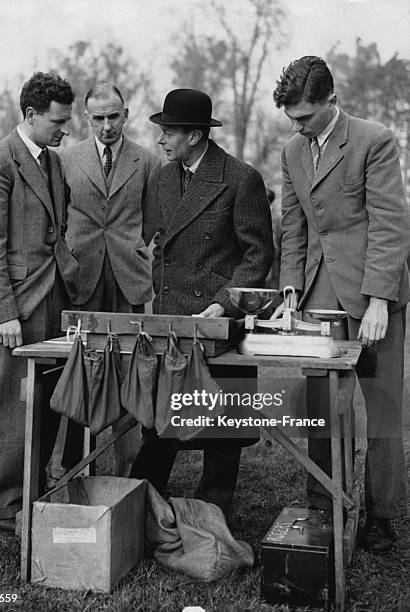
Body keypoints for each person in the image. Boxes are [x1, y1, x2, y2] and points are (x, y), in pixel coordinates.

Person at [272, 56, 409, 552]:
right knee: (321, 409)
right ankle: (323, 500)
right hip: (318, 296)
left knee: (382, 409)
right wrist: (290, 292)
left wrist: (378, 300)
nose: (298, 127)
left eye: (306, 117)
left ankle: (384, 514)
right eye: (292, 119)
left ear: (333, 101)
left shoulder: (375, 140)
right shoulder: (292, 150)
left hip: (375, 294)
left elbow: (391, 225)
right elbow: (295, 226)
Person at [130, 88, 274, 513]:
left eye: (168, 132)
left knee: (223, 417)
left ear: (195, 135)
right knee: (163, 416)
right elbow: (159, 242)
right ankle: (143, 502)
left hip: (217, 318)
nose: (160, 140)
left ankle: (214, 509)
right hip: (173, 317)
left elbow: (258, 254)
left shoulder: (240, 178)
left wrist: (224, 303)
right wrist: (159, 288)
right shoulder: (162, 177)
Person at [0, 72, 78, 532]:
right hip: (15, 309)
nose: (64, 130)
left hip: (53, 299)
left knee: (47, 404)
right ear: (30, 114)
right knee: (11, 408)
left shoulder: (51, 162)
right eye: (57, 121)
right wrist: (4, 314)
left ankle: (30, 494)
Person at [61, 83, 160, 475]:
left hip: (128, 279)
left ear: (126, 114)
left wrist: (132, 249)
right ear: (86, 119)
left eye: (113, 117)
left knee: (130, 370)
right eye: (98, 118)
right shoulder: (66, 160)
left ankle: (129, 470)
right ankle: (72, 465)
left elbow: (153, 221)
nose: (106, 126)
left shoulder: (147, 162)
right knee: (78, 370)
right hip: (80, 279)